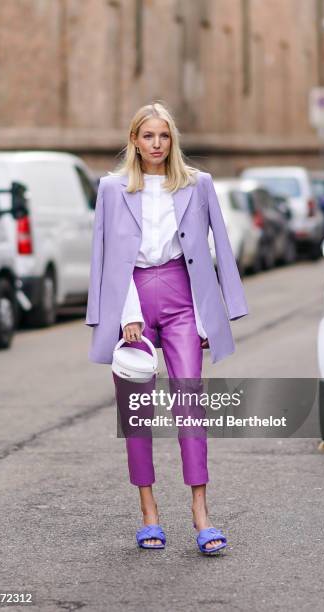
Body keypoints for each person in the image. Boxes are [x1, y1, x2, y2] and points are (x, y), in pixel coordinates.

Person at [86, 102, 248, 553]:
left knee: (189, 406)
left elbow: (219, 249)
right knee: (136, 412)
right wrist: (125, 313)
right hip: (132, 300)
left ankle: (201, 514)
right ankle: (149, 513)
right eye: (148, 136)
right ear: (134, 140)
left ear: (172, 140)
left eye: (164, 136)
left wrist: (213, 313)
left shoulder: (198, 185)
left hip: (182, 300)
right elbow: (106, 258)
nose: (156, 144)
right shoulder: (111, 189)